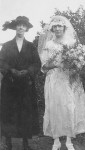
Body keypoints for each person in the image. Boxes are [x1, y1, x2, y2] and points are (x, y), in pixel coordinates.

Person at [38, 15, 85, 150]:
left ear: (64, 28)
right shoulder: (48, 45)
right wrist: (54, 64)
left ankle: (68, 140)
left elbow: (78, 63)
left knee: (69, 107)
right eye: (55, 27)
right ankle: (56, 140)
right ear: (52, 29)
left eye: (59, 26)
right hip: (54, 79)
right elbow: (44, 66)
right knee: (54, 107)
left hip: (68, 79)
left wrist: (75, 64)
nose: (57, 29)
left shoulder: (72, 42)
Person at [0, 16, 41, 150]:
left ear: (27, 29)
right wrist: (11, 70)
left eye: (24, 26)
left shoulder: (31, 46)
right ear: (15, 27)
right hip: (10, 84)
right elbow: (1, 61)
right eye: (19, 25)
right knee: (8, 111)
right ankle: (8, 142)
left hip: (25, 84)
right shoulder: (6, 45)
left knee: (25, 112)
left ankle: (25, 143)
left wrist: (28, 71)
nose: (21, 28)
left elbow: (36, 63)